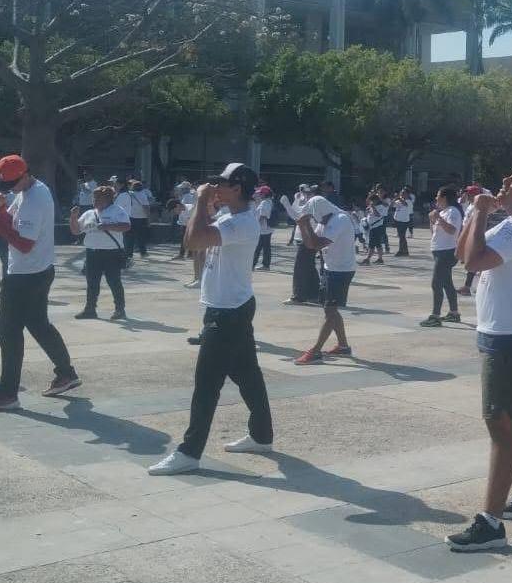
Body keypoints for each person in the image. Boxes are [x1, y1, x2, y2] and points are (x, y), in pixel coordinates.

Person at [447, 162, 512, 551]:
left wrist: (479, 212)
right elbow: (462, 252)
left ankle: (490, 523)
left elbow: (474, 262)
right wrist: (476, 214)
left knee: (501, 425)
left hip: (509, 338)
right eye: (508, 177)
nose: (505, 183)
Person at [148, 163, 274, 473]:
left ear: (238, 189)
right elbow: (201, 235)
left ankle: (189, 453)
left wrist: (203, 201)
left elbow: (192, 242)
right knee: (247, 375)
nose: (215, 188)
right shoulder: (231, 216)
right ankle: (262, 436)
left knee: (206, 384)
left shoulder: (242, 223)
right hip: (232, 305)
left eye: (222, 184)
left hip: (228, 312)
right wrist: (207, 206)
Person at [0, 154, 80, 411]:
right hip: (37, 270)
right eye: (5, 186)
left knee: (8, 333)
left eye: (12, 185)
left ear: (25, 175)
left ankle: (7, 393)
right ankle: (66, 373)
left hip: (25, 275)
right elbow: (16, 225)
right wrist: (1, 210)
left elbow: (24, 243)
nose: (10, 190)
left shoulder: (35, 200)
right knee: (39, 325)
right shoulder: (31, 190)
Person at [293, 196, 357, 364]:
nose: (318, 221)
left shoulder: (340, 219)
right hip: (330, 268)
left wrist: (306, 224)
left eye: (316, 217)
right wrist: (303, 225)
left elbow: (318, 243)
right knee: (330, 309)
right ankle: (343, 346)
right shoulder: (324, 220)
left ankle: (315, 351)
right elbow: (310, 245)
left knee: (330, 310)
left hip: (341, 270)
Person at [68, 184, 130, 320]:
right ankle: (90, 309)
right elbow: (76, 231)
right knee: (92, 282)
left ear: (107, 199)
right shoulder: (89, 213)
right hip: (92, 252)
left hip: (111, 253)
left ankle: (120, 309)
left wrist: (108, 226)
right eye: (94, 198)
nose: (94, 200)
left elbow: (126, 226)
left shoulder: (117, 210)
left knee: (114, 281)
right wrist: (73, 218)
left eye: (97, 198)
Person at [420, 185, 463, 326]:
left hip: (447, 251)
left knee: (436, 283)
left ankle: (435, 316)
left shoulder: (453, 211)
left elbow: (452, 230)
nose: (436, 198)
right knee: (446, 282)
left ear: (444, 197)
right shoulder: (444, 212)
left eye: (438, 196)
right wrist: (432, 220)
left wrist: (438, 217)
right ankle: (454, 313)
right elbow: (435, 233)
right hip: (439, 250)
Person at [120, 179, 152, 260]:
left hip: (130, 217)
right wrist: (149, 219)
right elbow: (146, 207)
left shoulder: (129, 194)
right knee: (140, 236)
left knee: (129, 237)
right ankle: (143, 252)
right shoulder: (143, 195)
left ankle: (128, 254)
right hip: (141, 218)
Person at [252, 185, 274, 270]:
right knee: (266, 248)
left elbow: (262, 216)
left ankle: (253, 264)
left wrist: (256, 226)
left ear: (265, 194)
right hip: (267, 229)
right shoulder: (270, 201)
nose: (259, 195)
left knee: (258, 248)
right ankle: (265, 265)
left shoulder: (264, 203)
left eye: (261, 194)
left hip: (263, 229)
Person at [391, 187, 413, 256]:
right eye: (401, 192)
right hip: (398, 220)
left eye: (403, 193)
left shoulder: (409, 201)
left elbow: (405, 204)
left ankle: (401, 250)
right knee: (401, 236)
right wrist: (395, 199)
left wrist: (399, 198)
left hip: (404, 221)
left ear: (407, 194)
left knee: (402, 236)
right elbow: (392, 205)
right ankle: (405, 251)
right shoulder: (399, 200)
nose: (402, 194)